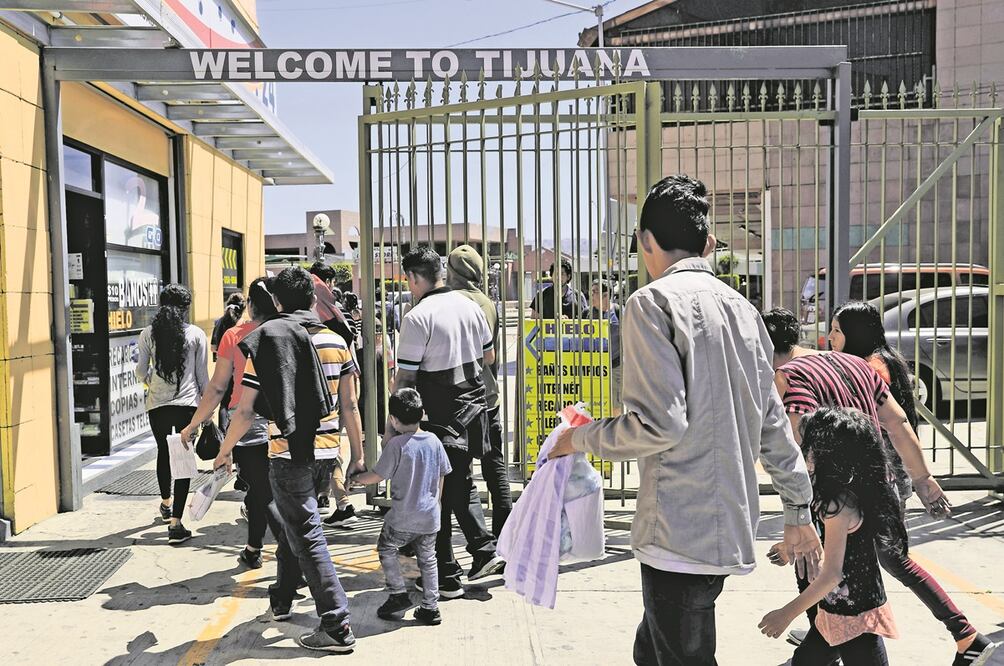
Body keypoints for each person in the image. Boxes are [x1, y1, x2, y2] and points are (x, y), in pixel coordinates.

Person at [549, 175, 819, 666]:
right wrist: (798, 508)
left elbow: (659, 425)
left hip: (677, 532)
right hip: (726, 528)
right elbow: (773, 425)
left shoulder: (651, 303)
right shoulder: (744, 310)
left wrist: (578, 438)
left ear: (644, 242)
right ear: (710, 245)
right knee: (651, 650)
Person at [763, 307, 998, 666]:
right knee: (872, 573)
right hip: (876, 485)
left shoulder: (789, 377)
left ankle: (827, 640)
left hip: (831, 494)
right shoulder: (853, 363)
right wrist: (924, 479)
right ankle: (961, 634)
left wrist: (798, 514)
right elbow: (898, 421)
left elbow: (798, 443)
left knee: (828, 578)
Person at [214, 266, 364, 653]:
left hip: (287, 453)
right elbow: (350, 404)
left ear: (277, 301)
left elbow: (245, 411)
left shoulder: (268, 340)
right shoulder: (336, 340)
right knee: (298, 527)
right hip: (327, 452)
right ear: (313, 299)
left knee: (306, 533)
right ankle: (282, 596)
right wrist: (357, 456)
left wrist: (224, 449)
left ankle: (336, 622)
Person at [393, 247, 504, 599]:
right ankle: (455, 567)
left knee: (434, 494)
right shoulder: (472, 307)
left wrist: (392, 428)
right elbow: (489, 357)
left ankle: (460, 564)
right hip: (474, 412)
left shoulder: (417, 317)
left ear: (413, 277)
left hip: (438, 418)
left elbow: (405, 380)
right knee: (457, 484)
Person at [760, 407, 903, 665]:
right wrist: (788, 547)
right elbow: (835, 546)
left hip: (856, 621)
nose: (801, 452)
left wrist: (786, 614)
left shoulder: (839, 505)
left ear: (827, 454)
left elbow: (832, 574)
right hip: (833, 614)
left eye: (807, 446)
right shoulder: (833, 493)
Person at [181, 278, 278, 568]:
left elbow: (217, 388)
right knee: (269, 491)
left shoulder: (234, 336)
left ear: (249, 305)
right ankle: (253, 547)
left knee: (261, 491)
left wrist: (193, 425)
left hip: (247, 423)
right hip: (284, 421)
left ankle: (288, 553)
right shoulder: (286, 330)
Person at [351, 388, 451, 625]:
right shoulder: (434, 441)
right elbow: (442, 474)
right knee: (428, 559)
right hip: (430, 516)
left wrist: (357, 479)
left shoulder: (396, 445)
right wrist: (435, 504)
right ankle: (431, 607)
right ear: (422, 413)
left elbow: (377, 475)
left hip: (403, 517)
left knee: (387, 548)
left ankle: (397, 594)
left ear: (393, 420)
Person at [134, 284, 208, 545]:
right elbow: (202, 378)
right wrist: (207, 412)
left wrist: (153, 381)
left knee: (164, 453)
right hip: (188, 405)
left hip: (158, 404)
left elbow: (141, 372)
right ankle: (176, 524)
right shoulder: (196, 334)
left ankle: (166, 503)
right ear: (186, 309)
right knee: (184, 458)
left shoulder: (147, 334)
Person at [446, 244, 512, 537]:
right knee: (495, 466)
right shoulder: (488, 303)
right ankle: (505, 533)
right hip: (489, 396)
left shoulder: (449, 302)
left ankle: (470, 538)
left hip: (459, 397)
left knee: (458, 473)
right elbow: (492, 353)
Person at [589, 278, 622, 409]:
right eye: (591, 292)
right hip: (594, 368)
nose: (591, 295)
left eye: (595, 292)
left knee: (616, 405)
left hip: (615, 367)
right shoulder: (587, 313)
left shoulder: (619, 312)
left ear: (606, 295)